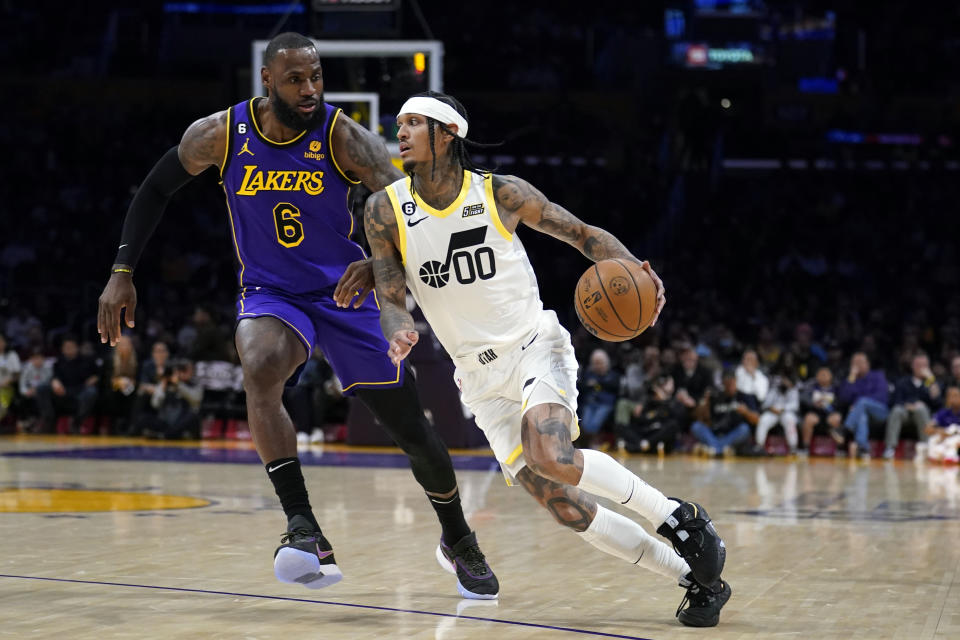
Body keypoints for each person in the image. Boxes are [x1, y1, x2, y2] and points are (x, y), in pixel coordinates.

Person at [96, 32, 498, 599]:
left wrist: (383, 264)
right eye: (295, 80)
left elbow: (412, 211)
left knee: (412, 429)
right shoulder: (220, 135)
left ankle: (458, 538)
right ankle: (304, 527)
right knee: (258, 363)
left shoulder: (345, 137)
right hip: (273, 293)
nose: (309, 90)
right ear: (267, 81)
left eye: (315, 77)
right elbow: (157, 187)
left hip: (345, 292)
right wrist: (121, 271)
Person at [364, 91, 730, 627]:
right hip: (478, 379)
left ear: (448, 134)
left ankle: (678, 517)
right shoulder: (384, 209)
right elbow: (391, 295)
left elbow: (582, 235)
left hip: (533, 344)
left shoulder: (500, 192)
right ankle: (693, 578)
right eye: (399, 123)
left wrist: (639, 272)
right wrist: (397, 332)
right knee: (564, 505)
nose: (400, 132)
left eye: (414, 122)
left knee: (551, 452)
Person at [35, 336, 100, 433]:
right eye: (66, 347)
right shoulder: (59, 361)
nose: (68, 349)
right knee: (41, 388)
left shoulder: (87, 360)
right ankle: (48, 419)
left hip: (80, 391)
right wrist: (55, 382)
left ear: (77, 348)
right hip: (63, 390)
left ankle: (77, 421)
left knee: (91, 392)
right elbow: (54, 377)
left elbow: (98, 374)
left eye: (70, 347)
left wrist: (95, 378)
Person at [883, 352, 940, 459]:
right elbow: (895, 401)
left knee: (921, 409)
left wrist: (931, 378)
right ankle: (890, 448)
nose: (921, 368)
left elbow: (937, 401)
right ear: (913, 366)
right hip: (905, 414)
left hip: (924, 416)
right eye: (919, 365)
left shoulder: (930, 383)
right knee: (896, 410)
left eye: (924, 366)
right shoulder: (903, 382)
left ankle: (927, 448)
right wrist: (909, 406)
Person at [691, 370, 758, 457]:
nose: (729, 387)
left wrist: (746, 412)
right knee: (696, 426)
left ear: (736, 381)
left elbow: (757, 420)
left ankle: (713, 449)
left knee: (744, 429)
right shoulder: (715, 396)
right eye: (727, 384)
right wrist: (705, 403)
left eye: (731, 383)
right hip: (714, 434)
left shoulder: (743, 396)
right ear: (722, 383)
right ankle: (720, 450)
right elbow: (702, 418)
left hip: (732, 435)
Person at [837, 352, 889, 459]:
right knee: (861, 415)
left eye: (860, 363)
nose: (857, 366)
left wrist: (858, 404)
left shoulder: (878, 376)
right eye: (855, 363)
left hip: (880, 412)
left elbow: (882, 396)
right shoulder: (851, 379)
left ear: (867, 364)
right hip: (860, 413)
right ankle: (863, 448)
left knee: (862, 402)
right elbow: (844, 398)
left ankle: (845, 430)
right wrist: (851, 377)